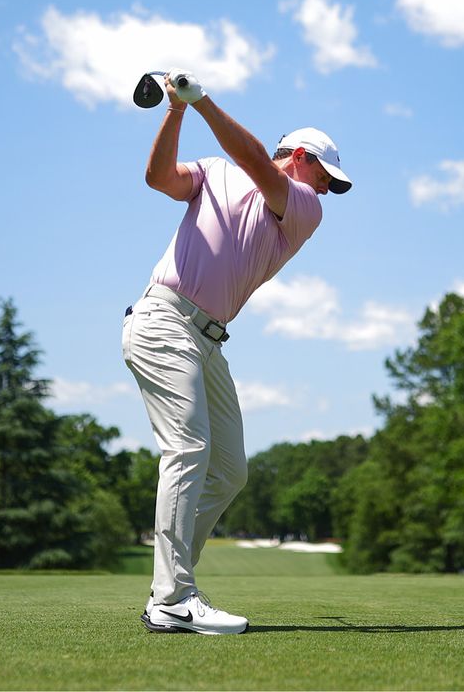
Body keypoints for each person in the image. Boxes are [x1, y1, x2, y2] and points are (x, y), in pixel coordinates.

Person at [124, 69, 353, 635]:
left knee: (229, 470)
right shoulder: (213, 173)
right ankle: (174, 598)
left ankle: (169, 587)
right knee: (189, 448)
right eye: (326, 175)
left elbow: (253, 160)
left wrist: (202, 101)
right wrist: (175, 110)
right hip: (162, 319)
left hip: (207, 340)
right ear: (300, 156)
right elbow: (158, 179)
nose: (328, 189)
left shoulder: (303, 208)